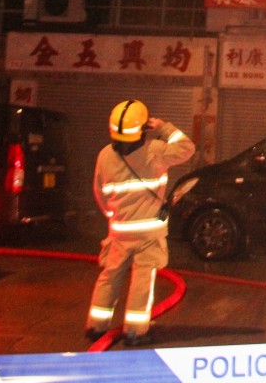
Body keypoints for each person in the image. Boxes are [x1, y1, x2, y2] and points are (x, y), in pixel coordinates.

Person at [85, 99, 195, 346]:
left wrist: (114, 218)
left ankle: (96, 326)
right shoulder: (155, 150)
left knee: (110, 276)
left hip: (119, 232)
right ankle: (135, 331)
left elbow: (100, 193)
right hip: (148, 234)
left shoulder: (104, 155)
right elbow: (187, 147)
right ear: (143, 129)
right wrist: (165, 127)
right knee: (142, 280)